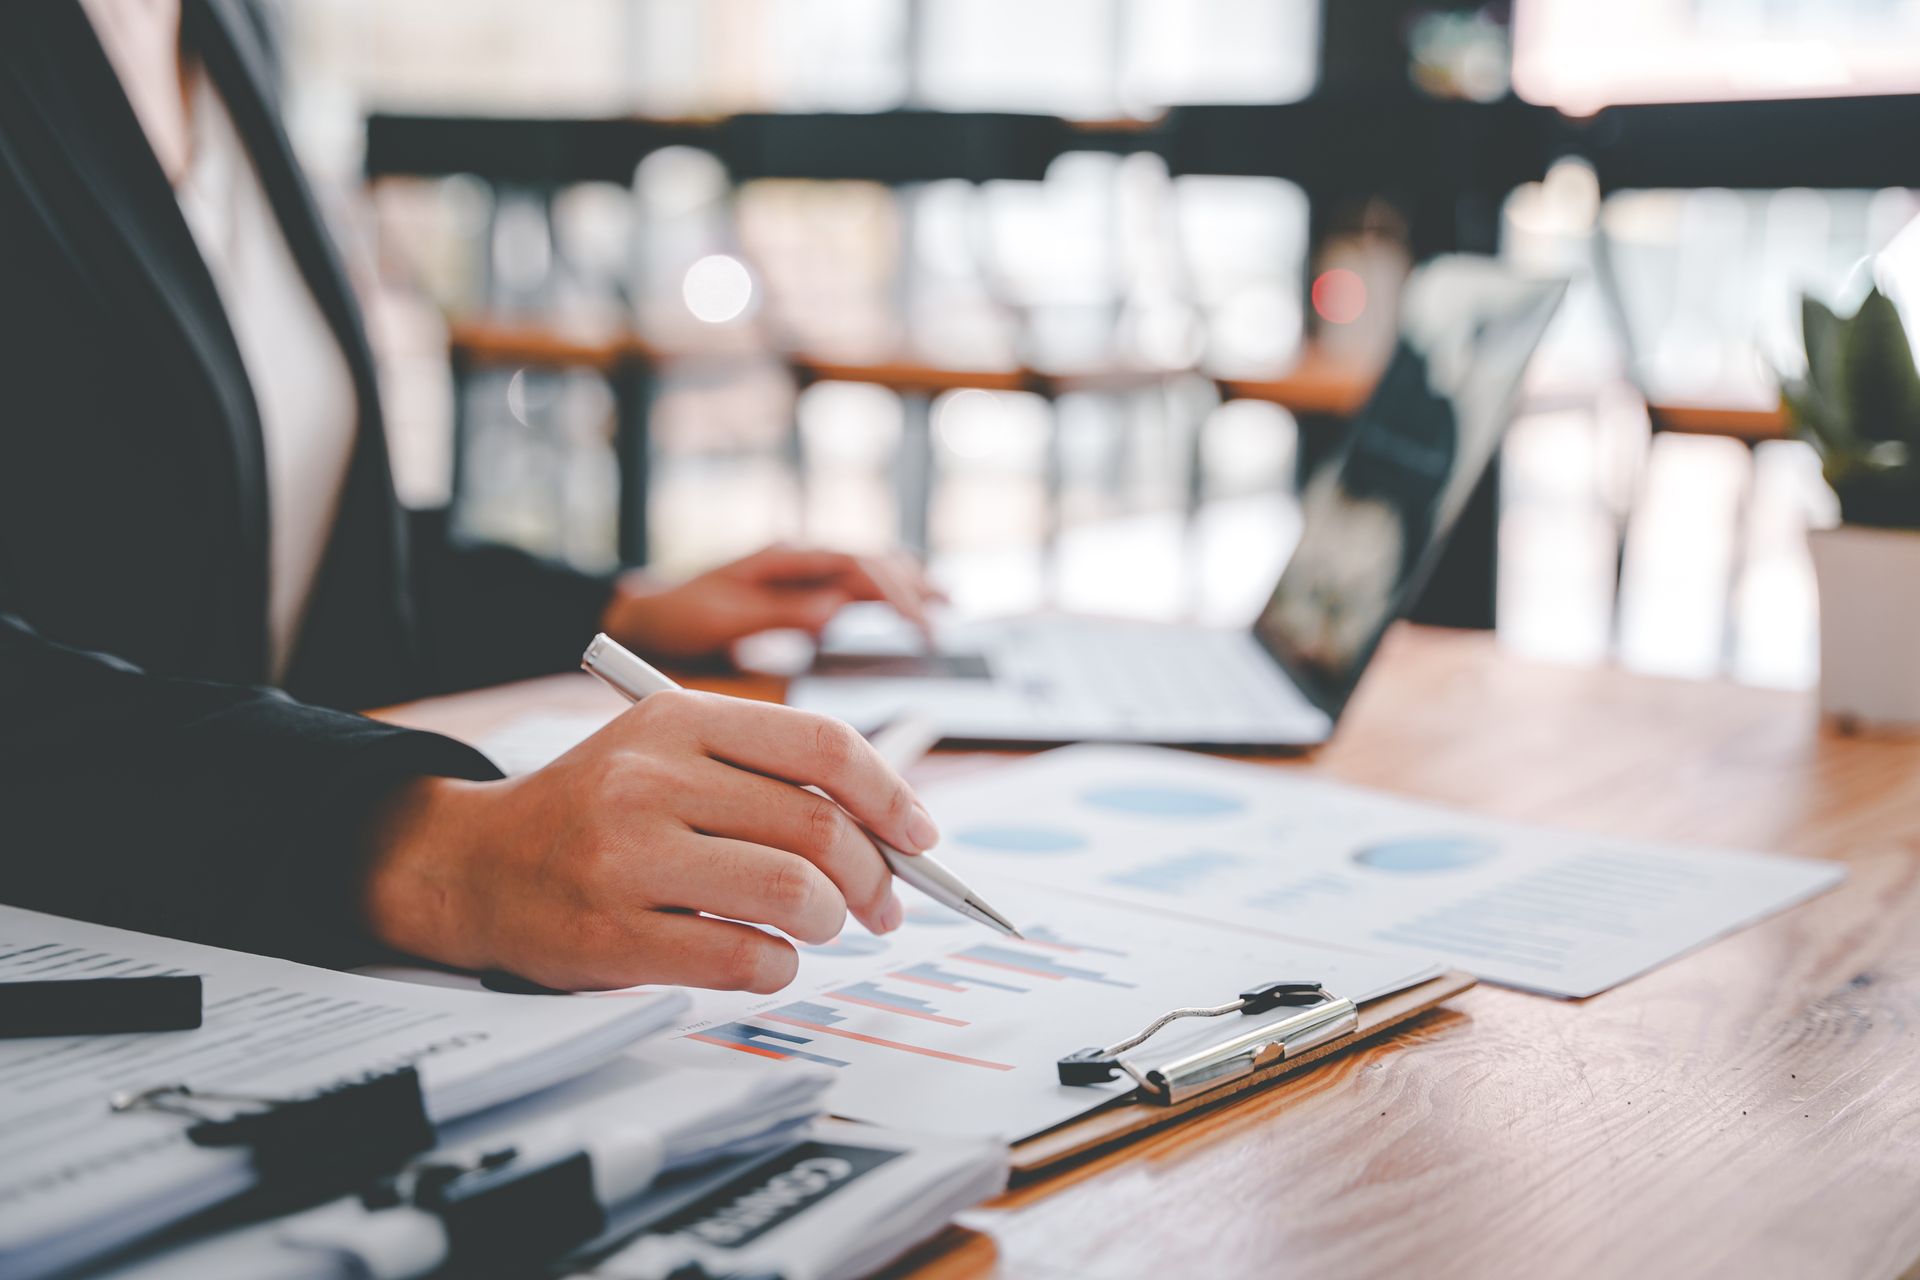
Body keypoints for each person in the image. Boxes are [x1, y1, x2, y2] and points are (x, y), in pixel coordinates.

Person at [0, 0, 944, 994]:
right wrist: (427, 852)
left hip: (270, 963)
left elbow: (250, 547)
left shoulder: (225, 27)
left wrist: (617, 608)